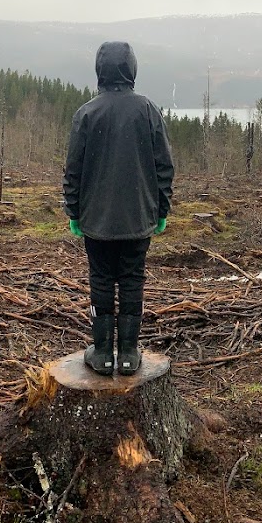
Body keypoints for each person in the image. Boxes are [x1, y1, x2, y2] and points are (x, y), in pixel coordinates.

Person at [62, 41, 175, 376]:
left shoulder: (86, 112)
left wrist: (74, 213)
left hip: (95, 219)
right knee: (131, 280)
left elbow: (74, 170)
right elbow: (164, 167)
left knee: (100, 280)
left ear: (100, 70)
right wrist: (161, 211)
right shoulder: (148, 110)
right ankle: (127, 354)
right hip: (139, 217)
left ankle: (101, 353)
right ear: (132, 69)